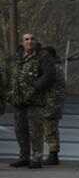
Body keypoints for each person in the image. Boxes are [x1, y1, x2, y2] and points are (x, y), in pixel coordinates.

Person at [6, 33, 55, 168]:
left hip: (35, 100)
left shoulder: (43, 57)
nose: (29, 41)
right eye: (26, 39)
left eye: (32, 39)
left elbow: (49, 76)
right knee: (20, 130)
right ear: (22, 42)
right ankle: (24, 157)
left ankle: (36, 158)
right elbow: (9, 74)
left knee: (35, 130)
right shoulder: (17, 58)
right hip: (18, 99)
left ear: (36, 41)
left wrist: (35, 87)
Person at [42, 46, 66, 165]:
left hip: (52, 102)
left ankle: (53, 155)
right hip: (54, 102)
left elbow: (45, 82)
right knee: (50, 128)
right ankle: (52, 154)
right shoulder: (57, 67)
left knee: (50, 129)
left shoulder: (53, 68)